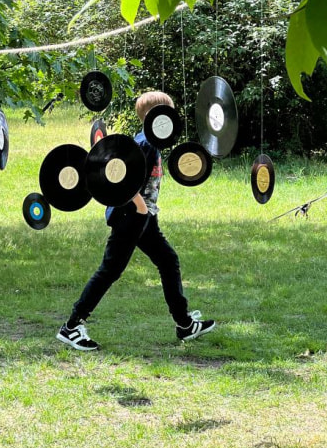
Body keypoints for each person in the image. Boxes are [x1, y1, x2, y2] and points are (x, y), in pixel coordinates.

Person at [57, 90, 216, 351]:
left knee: (168, 260)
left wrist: (146, 213)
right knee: (110, 270)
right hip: (130, 216)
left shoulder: (150, 143)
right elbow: (121, 179)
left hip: (144, 218)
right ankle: (72, 326)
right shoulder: (144, 144)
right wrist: (142, 209)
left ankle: (184, 324)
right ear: (157, 116)